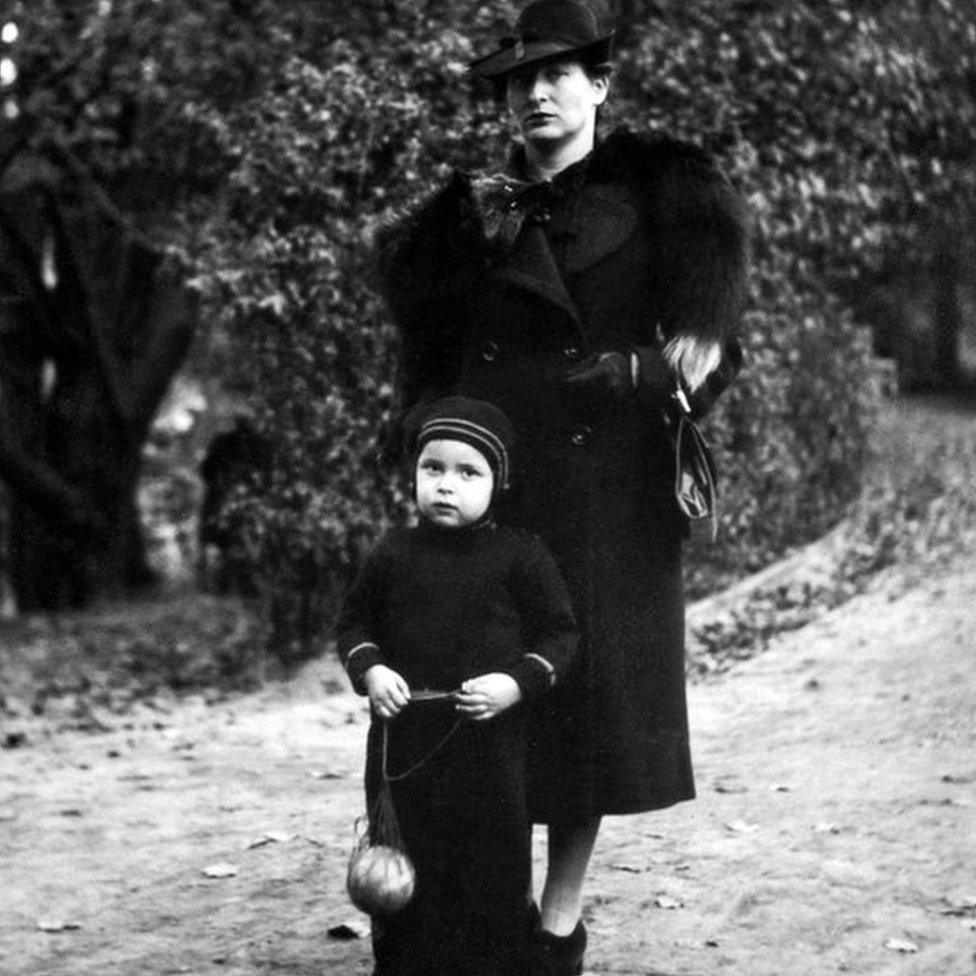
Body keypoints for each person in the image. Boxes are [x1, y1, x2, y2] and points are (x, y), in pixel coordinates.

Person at [375, 2, 750, 973]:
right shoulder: (469, 217)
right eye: (518, 80)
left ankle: (555, 924)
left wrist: (632, 374)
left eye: (558, 74)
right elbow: (430, 367)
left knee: (586, 713)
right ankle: (473, 913)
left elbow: (709, 354)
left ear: (599, 85)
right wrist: (430, 462)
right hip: (493, 491)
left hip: (607, 498)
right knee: (471, 701)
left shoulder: (665, 201)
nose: (536, 94)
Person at [337, 395, 578, 976]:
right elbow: (353, 624)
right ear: (415, 474)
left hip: (489, 753)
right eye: (433, 469)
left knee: (490, 867)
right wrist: (372, 670)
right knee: (404, 870)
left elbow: (560, 635)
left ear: (499, 483)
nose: (447, 485)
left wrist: (514, 683)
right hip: (404, 752)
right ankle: (402, 963)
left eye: (468, 472)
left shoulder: (520, 556)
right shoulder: (391, 554)